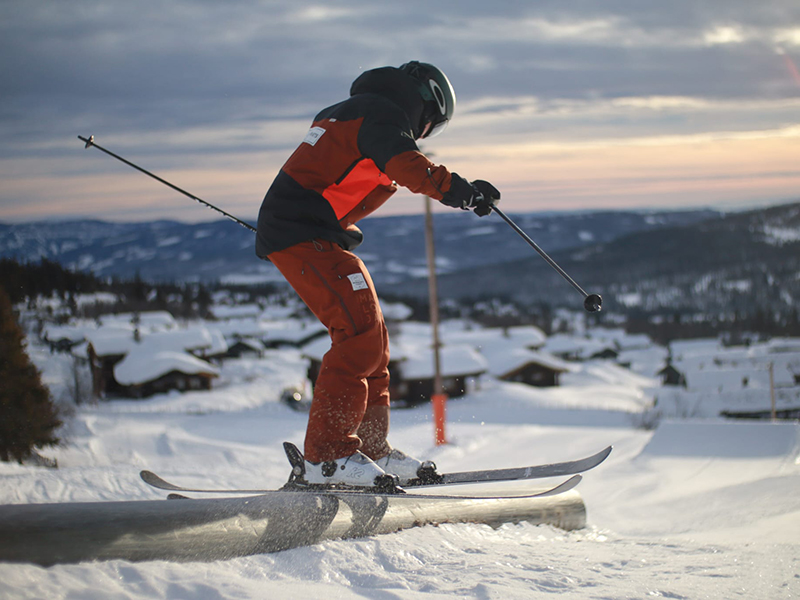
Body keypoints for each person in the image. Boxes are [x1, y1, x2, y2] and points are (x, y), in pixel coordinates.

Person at [256, 61, 500, 488]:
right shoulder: (378, 113)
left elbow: (338, 173)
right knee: (357, 338)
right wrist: (459, 190)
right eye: (431, 126)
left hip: (313, 233)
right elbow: (407, 164)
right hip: (302, 233)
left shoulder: (355, 110)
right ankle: (327, 458)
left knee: (373, 341)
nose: (424, 134)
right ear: (427, 104)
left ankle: (368, 450)